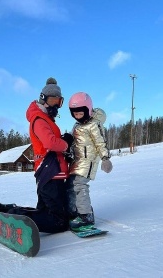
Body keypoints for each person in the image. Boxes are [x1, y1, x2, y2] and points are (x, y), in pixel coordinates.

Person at [0, 78, 74, 234]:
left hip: (50, 172)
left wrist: (65, 150)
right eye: (54, 100)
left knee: (45, 212)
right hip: (51, 173)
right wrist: (66, 143)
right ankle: (14, 217)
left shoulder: (46, 119)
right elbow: (50, 142)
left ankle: (8, 210)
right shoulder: (39, 119)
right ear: (44, 99)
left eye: (59, 101)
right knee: (59, 221)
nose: (57, 105)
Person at [66, 92, 113, 229]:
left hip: (88, 161)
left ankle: (86, 216)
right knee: (70, 185)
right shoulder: (77, 126)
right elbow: (75, 142)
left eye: (81, 113)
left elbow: (100, 143)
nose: (78, 116)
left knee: (80, 185)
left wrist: (105, 158)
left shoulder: (94, 125)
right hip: (78, 160)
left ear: (88, 110)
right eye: (75, 114)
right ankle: (77, 210)